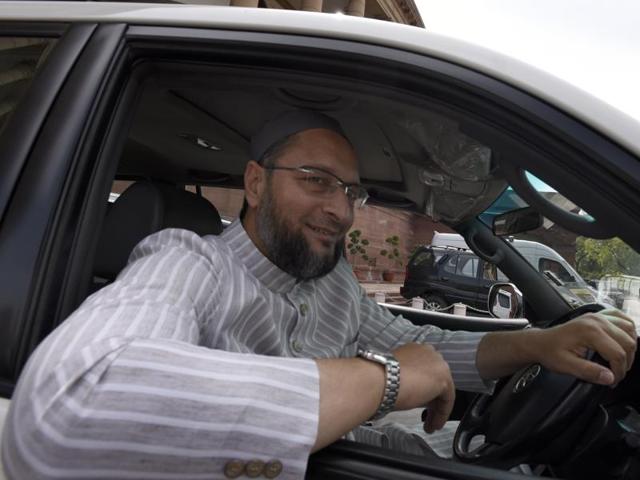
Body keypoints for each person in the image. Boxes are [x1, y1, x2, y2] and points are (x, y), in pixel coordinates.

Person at [2, 110, 636, 480]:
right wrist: (385, 380)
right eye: (315, 182)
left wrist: (541, 343)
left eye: (351, 192)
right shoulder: (188, 262)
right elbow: (68, 409)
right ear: (254, 183)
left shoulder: (328, 277)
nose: (339, 211)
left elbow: (421, 345)